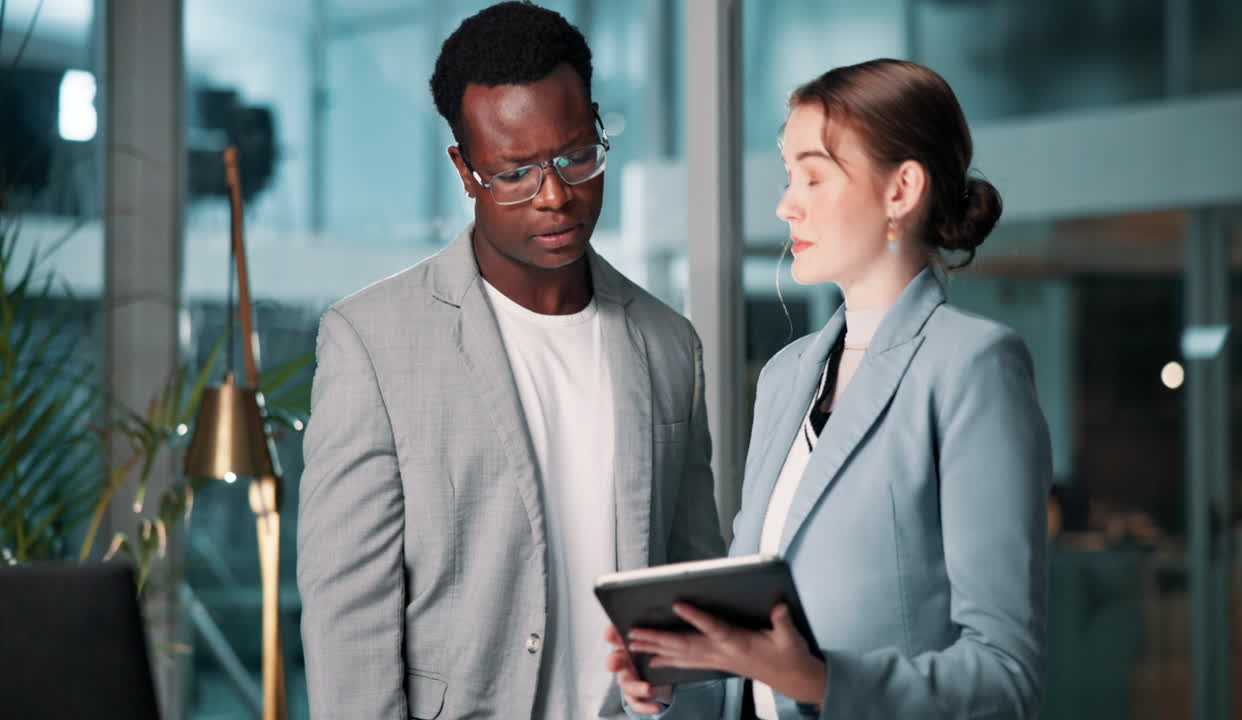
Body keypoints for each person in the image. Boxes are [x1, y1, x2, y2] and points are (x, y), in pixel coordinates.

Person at [297, 3, 724, 718]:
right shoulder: (369, 342)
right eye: (515, 173)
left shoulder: (668, 343)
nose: (555, 195)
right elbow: (349, 627)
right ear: (465, 171)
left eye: (576, 156)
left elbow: (696, 591)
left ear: (597, 124)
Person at [608, 58, 1052, 719]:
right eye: (790, 176)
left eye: (813, 176)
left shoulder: (973, 365)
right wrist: (673, 679)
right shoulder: (788, 375)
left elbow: (1005, 674)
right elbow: (751, 658)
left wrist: (818, 681)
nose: (788, 202)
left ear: (901, 189)